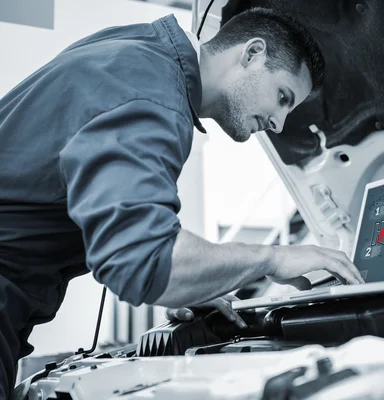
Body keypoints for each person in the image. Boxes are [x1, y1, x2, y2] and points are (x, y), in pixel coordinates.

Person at [0, 8, 364, 398]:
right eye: (282, 97)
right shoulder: (151, 92)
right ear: (252, 53)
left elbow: (110, 232)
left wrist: (192, 282)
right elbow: (144, 260)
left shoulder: (139, 51)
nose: (278, 123)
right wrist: (272, 258)